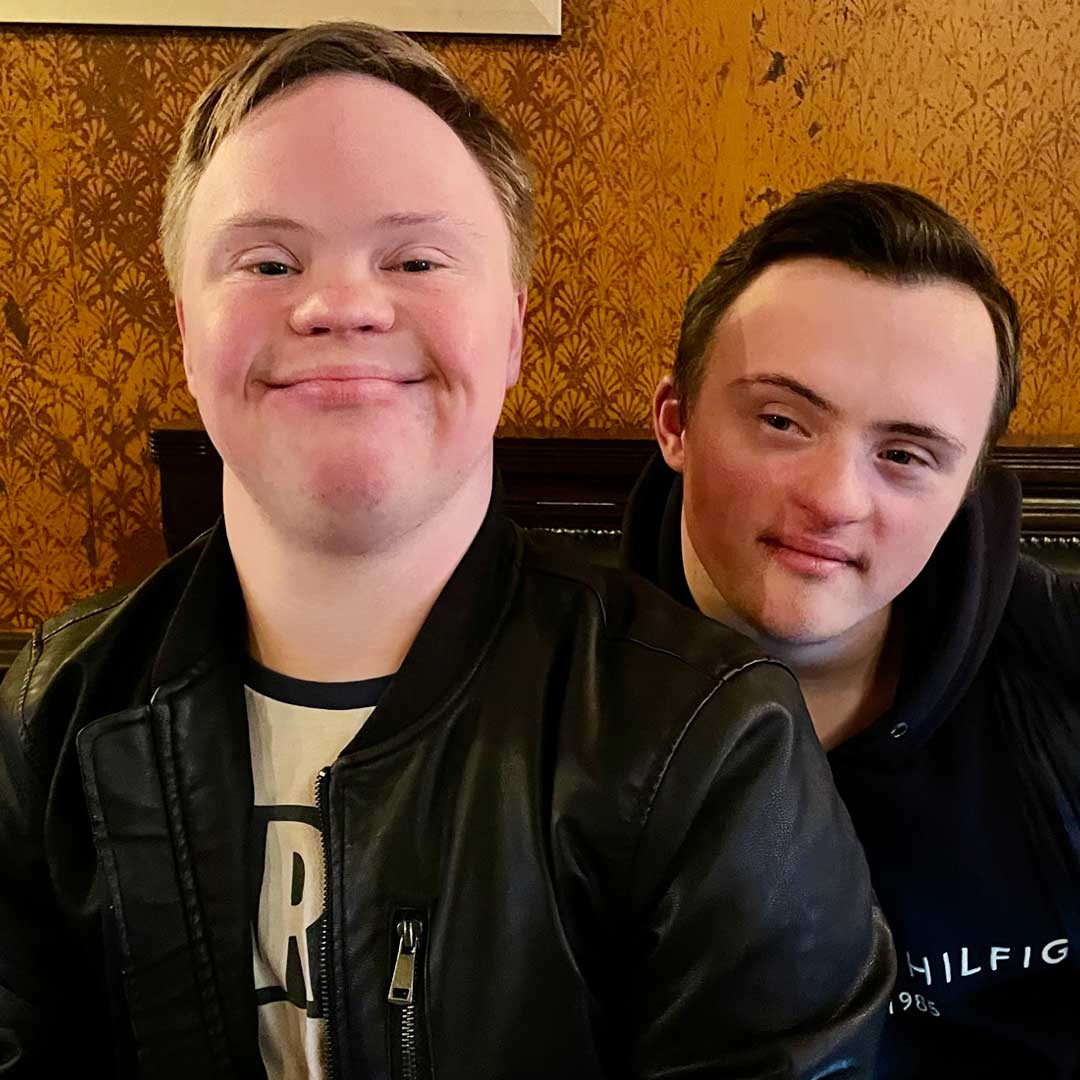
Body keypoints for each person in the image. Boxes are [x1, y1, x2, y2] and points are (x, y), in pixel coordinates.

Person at [0, 25, 892, 1079]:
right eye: (267, 260)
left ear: (512, 329)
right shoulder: (58, 706)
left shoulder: (710, 738)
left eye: (417, 257)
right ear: (186, 328)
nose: (339, 304)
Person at [622, 178, 1080, 1078]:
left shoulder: (1062, 666)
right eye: (783, 421)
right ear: (676, 423)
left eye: (906, 456)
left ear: (965, 491)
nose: (833, 500)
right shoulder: (528, 693)